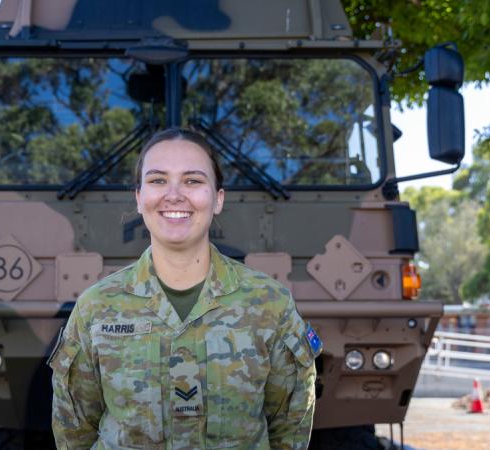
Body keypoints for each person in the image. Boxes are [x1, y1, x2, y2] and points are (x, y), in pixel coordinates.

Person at [50, 127, 321, 449]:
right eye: (157, 180)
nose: (174, 194)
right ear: (139, 198)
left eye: (193, 180)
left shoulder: (270, 304)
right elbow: (74, 431)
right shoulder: (96, 307)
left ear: (218, 198)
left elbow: (290, 428)